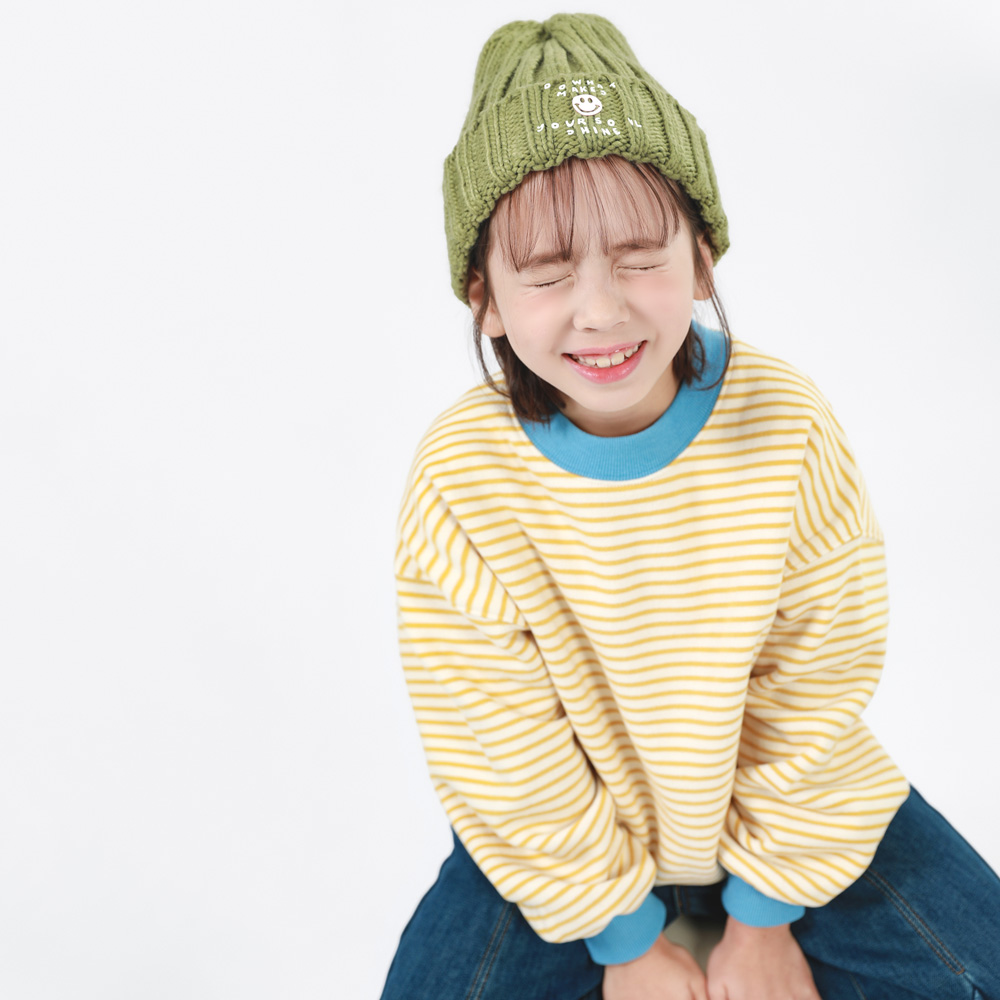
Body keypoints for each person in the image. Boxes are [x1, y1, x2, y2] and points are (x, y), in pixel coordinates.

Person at [380, 13, 1000, 1000]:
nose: (601, 309)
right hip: (572, 841)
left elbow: (818, 673)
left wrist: (762, 918)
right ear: (484, 297)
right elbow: (499, 745)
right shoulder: (464, 475)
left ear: (702, 257)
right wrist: (625, 941)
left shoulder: (784, 421)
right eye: (546, 272)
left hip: (786, 813)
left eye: (640, 256)